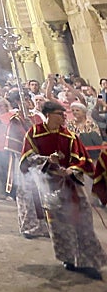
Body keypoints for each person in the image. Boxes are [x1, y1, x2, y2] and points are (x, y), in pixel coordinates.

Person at [20, 100, 107, 279]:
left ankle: (87, 260)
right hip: (48, 185)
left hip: (72, 184)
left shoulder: (70, 136)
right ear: (49, 114)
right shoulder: (34, 133)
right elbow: (27, 159)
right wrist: (47, 160)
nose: (64, 117)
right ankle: (69, 259)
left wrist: (71, 170)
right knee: (60, 225)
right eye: (60, 114)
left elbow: (82, 159)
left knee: (83, 220)